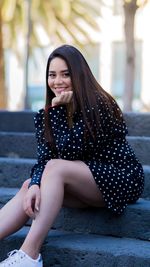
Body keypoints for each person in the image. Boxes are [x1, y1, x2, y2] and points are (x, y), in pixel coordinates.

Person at [0, 44, 144, 267]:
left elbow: (69, 154)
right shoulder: (48, 114)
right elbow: (44, 159)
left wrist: (57, 112)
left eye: (66, 74)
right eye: (52, 75)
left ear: (78, 74)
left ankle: (29, 255)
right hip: (82, 182)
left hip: (119, 178)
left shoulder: (100, 104)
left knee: (57, 167)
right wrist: (36, 184)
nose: (58, 81)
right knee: (29, 186)